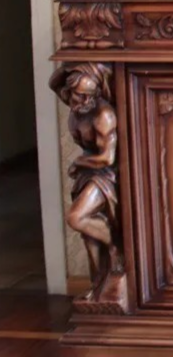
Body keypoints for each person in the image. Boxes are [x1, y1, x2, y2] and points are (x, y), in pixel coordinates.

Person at [50, 64, 121, 301]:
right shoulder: (76, 109)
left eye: (90, 95)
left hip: (105, 175)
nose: (84, 100)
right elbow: (54, 82)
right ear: (69, 92)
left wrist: (79, 162)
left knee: (76, 218)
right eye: (80, 95)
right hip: (88, 174)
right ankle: (99, 283)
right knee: (89, 234)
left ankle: (116, 246)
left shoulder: (103, 115)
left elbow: (107, 158)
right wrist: (73, 60)